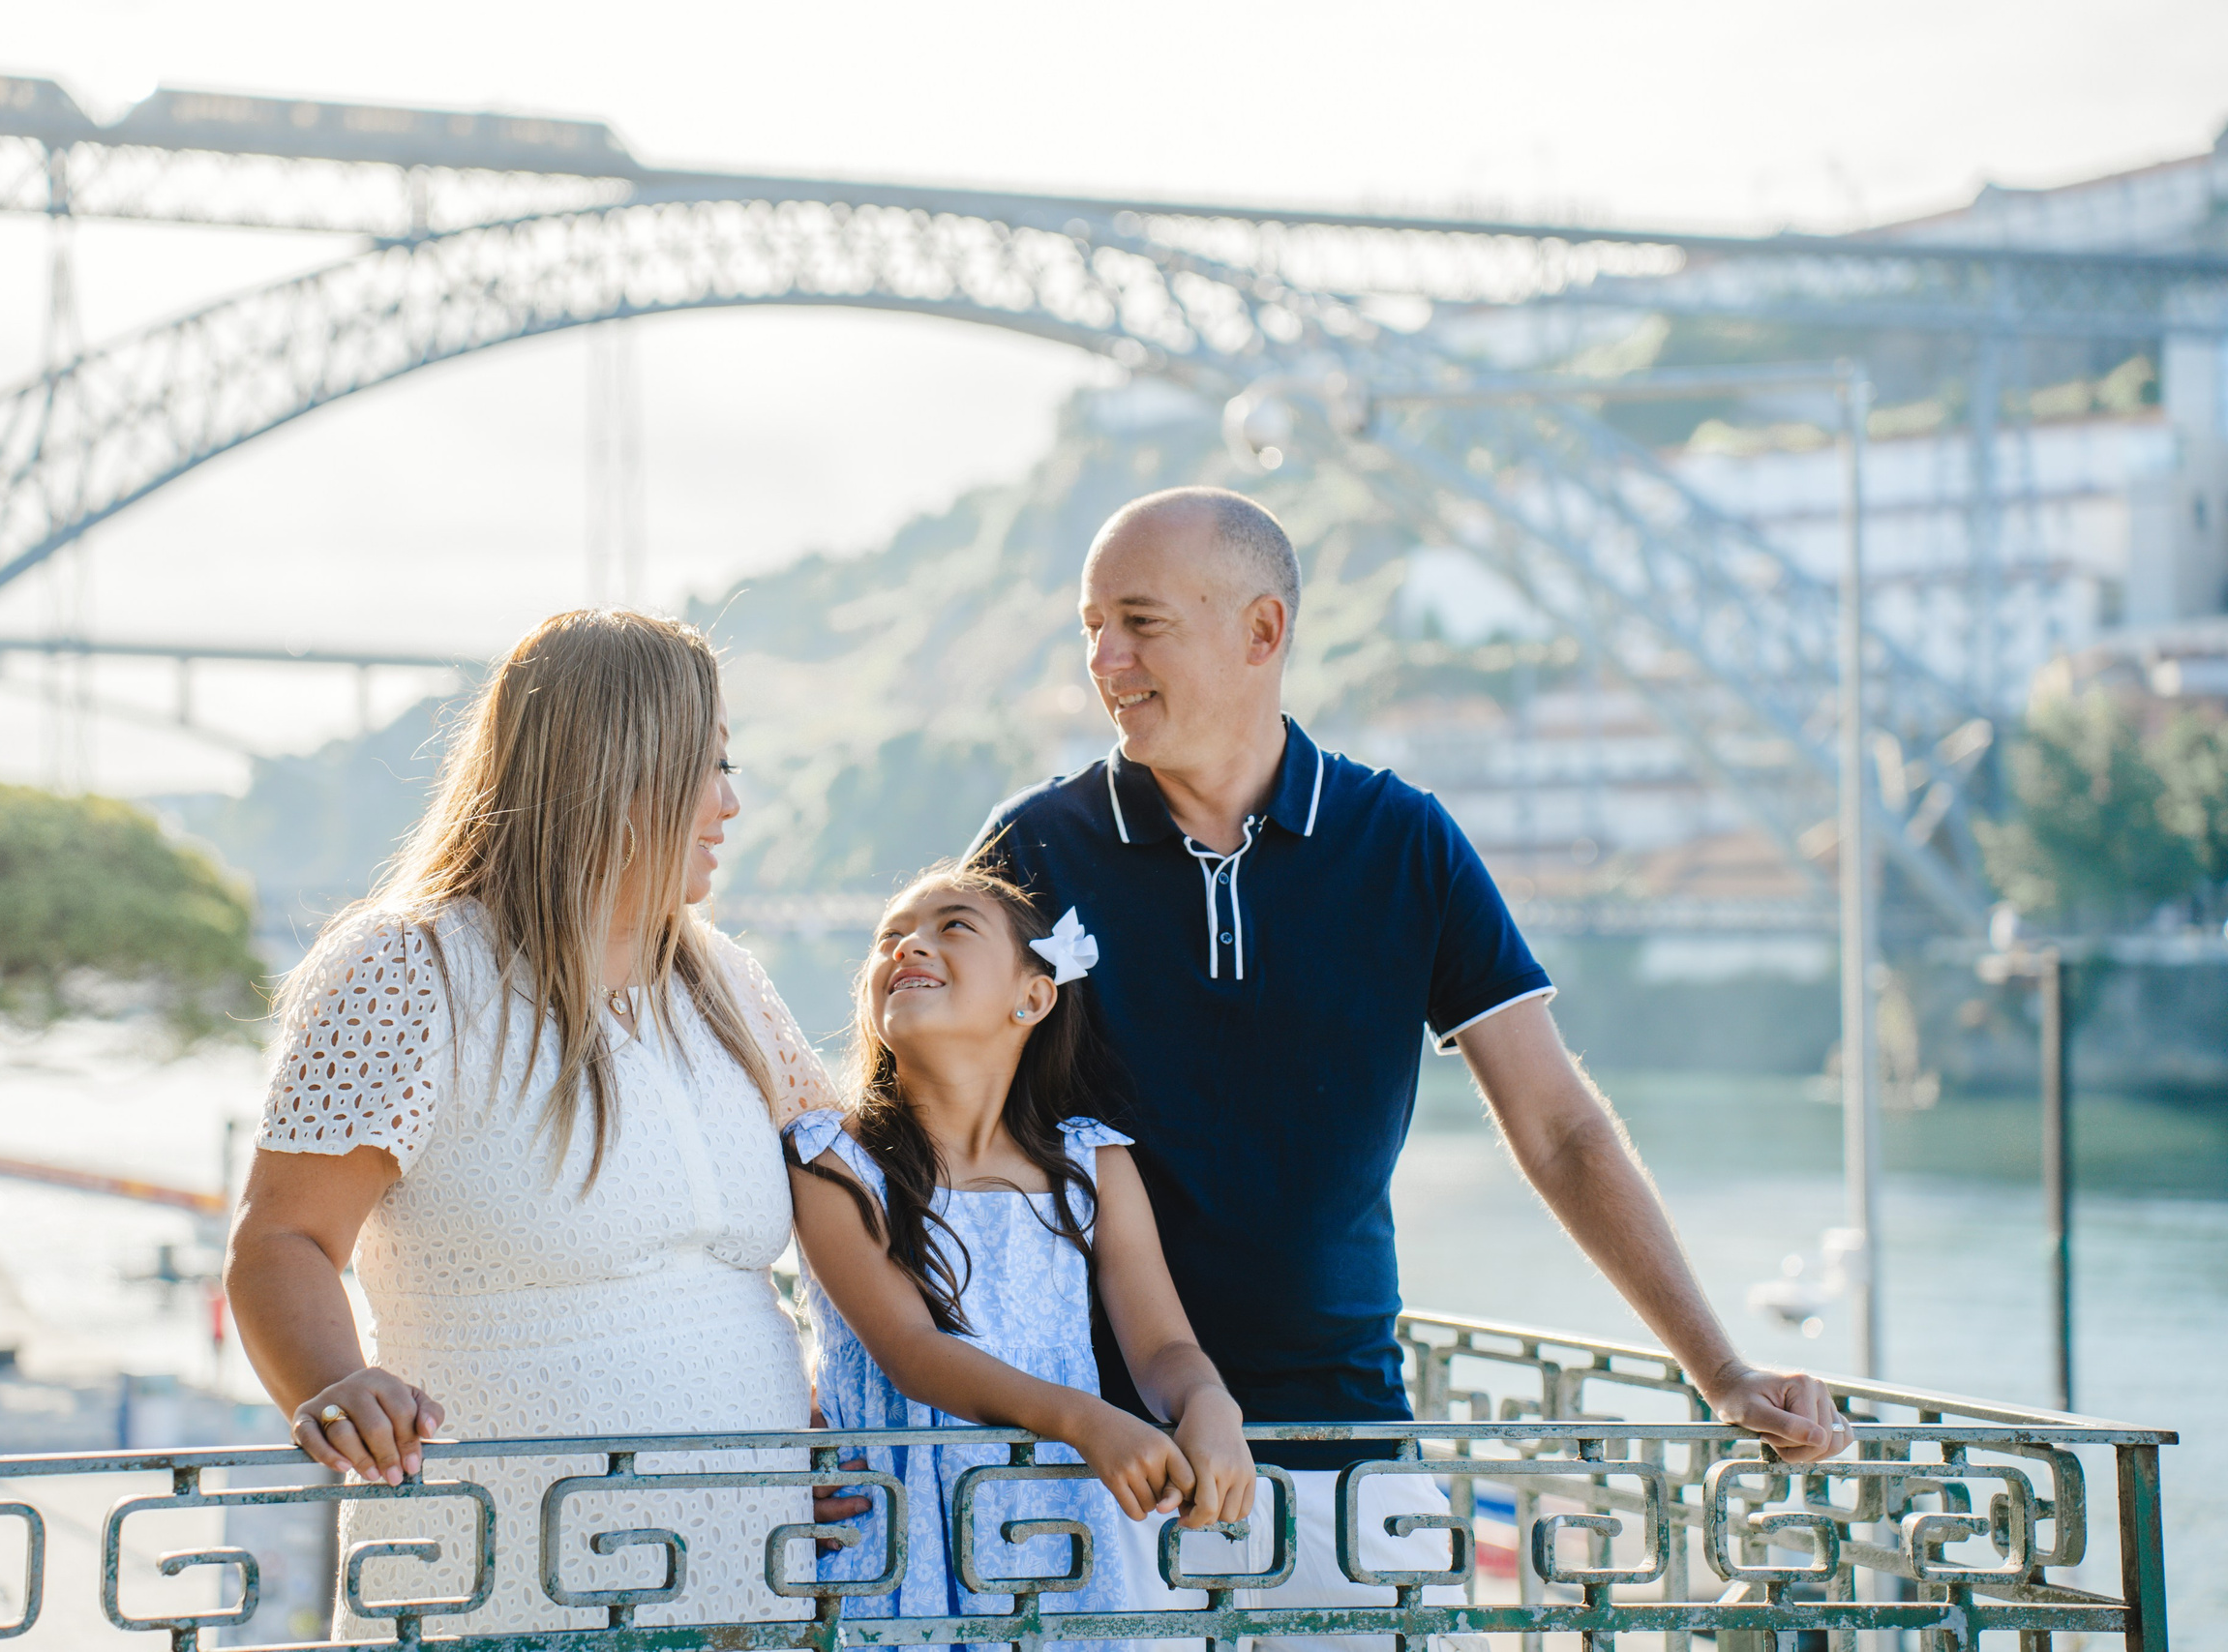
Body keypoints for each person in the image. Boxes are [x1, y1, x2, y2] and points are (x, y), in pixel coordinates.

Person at [969, 487, 1851, 1641]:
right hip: (1095, 1469)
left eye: (1140, 623)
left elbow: (1559, 1128)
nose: (1103, 660)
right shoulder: (1033, 847)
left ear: (1262, 631)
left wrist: (1719, 1370)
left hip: (1352, 1464)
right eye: (1092, 626)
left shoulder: (1403, 841)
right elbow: (927, 1135)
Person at [225, 609, 851, 1638]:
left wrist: (838, 1410)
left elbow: (854, 1210)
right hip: (500, 1590)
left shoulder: (728, 982)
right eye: (708, 765)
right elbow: (280, 1239)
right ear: (616, 772)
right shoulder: (411, 968)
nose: (730, 802)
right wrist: (336, 1384)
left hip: (756, 1587)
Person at [786, 865, 1255, 1645]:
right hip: (892, 1540)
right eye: (889, 936)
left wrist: (1208, 1401)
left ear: (1033, 997)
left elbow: (1161, 1345)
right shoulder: (833, 1160)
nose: (908, 945)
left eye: (952, 926)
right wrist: (1087, 1420)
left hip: (1050, 1536)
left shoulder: (1093, 1165)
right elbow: (913, 1351)